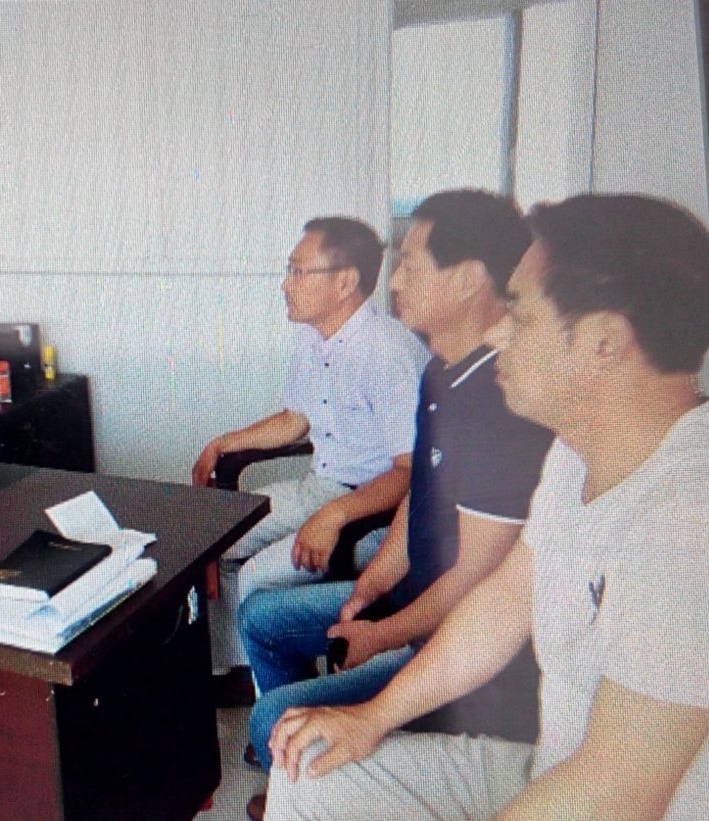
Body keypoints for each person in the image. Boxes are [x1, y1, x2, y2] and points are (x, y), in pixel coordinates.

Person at [265, 193, 709, 821]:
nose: (499, 333)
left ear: (603, 343)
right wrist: (372, 717)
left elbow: (617, 792)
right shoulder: (577, 455)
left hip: (600, 799)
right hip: (547, 766)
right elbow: (503, 603)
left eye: (520, 315)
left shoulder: (687, 519)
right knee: (308, 764)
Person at [239, 190, 554, 816]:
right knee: (261, 619)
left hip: (452, 641)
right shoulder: (442, 371)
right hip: (412, 603)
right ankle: (301, 773)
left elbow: (476, 581)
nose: (395, 280)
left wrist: (382, 633)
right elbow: (420, 496)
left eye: (410, 263)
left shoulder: (502, 399)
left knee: (272, 718)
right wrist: (369, 590)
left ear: (466, 279)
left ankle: (303, 767)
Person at [194, 217, 429, 673]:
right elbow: (295, 419)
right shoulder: (310, 336)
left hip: (372, 512)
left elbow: (410, 473)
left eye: (299, 272)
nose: (286, 284)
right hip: (319, 489)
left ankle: (283, 697)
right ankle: (242, 672)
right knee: (214, 540)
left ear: (345, 282)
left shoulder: (387, 351)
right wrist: (222, 443)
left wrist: (335, 514)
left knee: (255, 578)